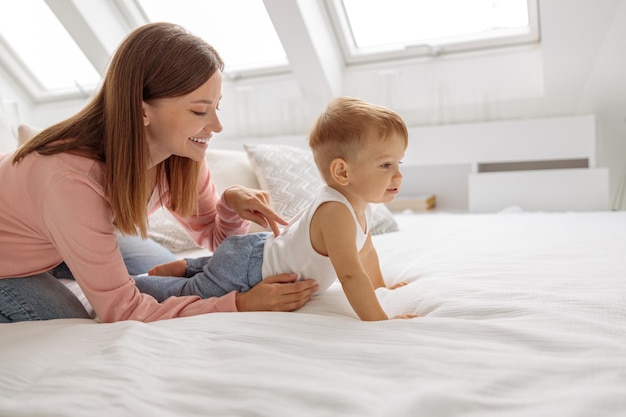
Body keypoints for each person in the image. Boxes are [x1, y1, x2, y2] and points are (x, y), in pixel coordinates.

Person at [0, 22, 318, 323]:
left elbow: (217, 246)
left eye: (216, 107)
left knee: (162, 277)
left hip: (58, 235)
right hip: (9, 255)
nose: (217, 126)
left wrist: (230, 206)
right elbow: (121, 309)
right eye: (198, 111)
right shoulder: (70, 178)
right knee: (72, 323)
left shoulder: (180, 154)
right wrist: (238, 305)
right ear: (142, 110)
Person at [146, 96, 416, 321]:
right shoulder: (337, 213)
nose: (398, 175)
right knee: (193, 291)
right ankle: (156, 280)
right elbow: (350, 274)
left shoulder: (359, 204)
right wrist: (381, 323)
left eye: (398, 163)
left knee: (222, 264)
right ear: (342, 172)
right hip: (246, 270)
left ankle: (189, 265)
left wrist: (381, 288)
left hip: (256, 250)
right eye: (386, 165)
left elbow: (366, 253)